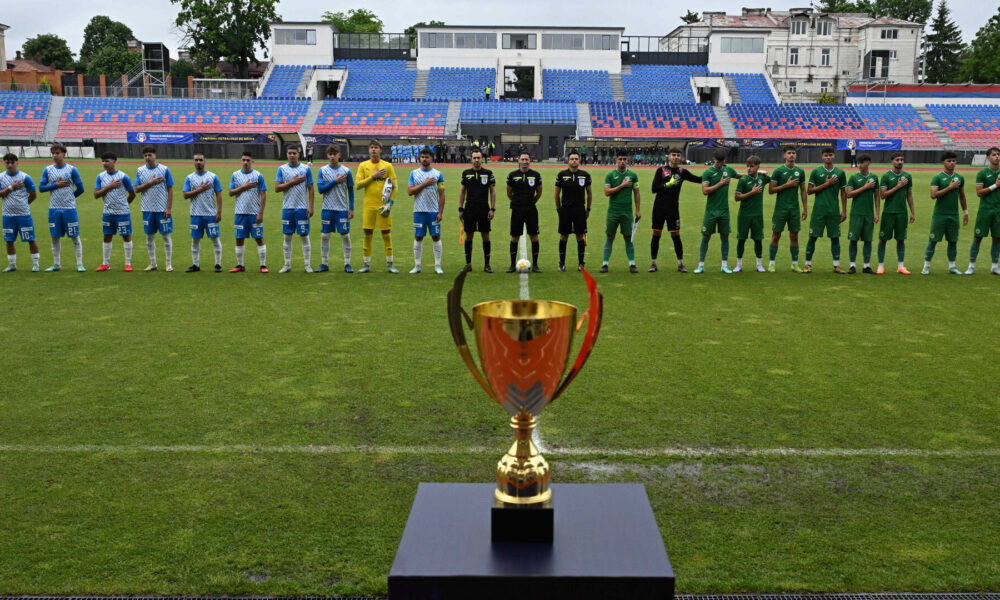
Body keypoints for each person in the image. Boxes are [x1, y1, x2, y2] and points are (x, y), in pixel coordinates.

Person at [649, 146, 701, 272]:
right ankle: (653, 264)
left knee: (676, 235)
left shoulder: (682, 172)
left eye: (678, 155)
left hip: (673, 209)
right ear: (669, 156)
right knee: (656, 234)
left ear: (681, 157)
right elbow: (654, 189)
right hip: (659, 208)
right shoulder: (661, 170)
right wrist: (667, 184)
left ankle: (680, 264)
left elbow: (698, 179)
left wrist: (714, 173)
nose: (676, 157)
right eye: (673, 155)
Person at [39, 143, 85, 272]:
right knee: (55, 237)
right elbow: (41, 188)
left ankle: (80, 264)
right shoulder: (47, 170)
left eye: (57, 153)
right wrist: (56, 185)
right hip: (54, 209)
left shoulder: (72, 169)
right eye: (53, 153)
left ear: (64, 154)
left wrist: (70, 198)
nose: (55, 155)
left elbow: (81, 189)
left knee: (74, 236)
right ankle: (56, 264)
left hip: (69, 209)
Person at [355, 139, 398, 273]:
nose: (374, 149)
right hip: (368, 206)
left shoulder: (387, 166)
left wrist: (390, 203)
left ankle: (390, 264)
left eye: (376, 147)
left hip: (383, 206)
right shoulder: (363, 165)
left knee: (386, 234)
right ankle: (366, 264)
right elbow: (358, 185)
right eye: (371, 147)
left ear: (380, 150)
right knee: (368, 234)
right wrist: (373, 177)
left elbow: (395, 186)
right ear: (369, 150)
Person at [804, 147, 848, 274]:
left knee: (835, 238)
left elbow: (843, 192)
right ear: (822, 157)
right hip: (818, 211)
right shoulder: (816, 171)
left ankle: (836, 265)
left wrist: (844, 210)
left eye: (830, 155)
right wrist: (826, 184)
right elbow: (809, 191)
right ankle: (807, 264)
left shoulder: (840, 173)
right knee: (813, 237)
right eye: (826, 155)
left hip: (833, 211)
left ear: (834, 156)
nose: (828, 157)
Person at [923, 151, 967, 275]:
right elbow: (933, 195)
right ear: (943, 163)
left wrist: (965, 212)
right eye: (949, 161)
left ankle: (952, 266)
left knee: (953, 241)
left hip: (954, 215)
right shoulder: (937, 177)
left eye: (954, 161)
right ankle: (926, 266)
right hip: (940, 214)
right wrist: (949, 187)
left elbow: (962, 196)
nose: (952, 163)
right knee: (933, 240)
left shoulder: (960, 178)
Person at [696, 148, 738, 274]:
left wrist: (758, 172)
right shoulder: (708, 172)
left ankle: (724, 265)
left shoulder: (728, 170)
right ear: (713, 159)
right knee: (706, 237)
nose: (719, 164)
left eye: (722, 162)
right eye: (717, 162)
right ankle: (701, 265)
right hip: (711, 211)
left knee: (725, 237)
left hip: (724, 211)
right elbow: (705, 191)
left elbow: (740, 176)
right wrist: (720, 183)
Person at [134, 146, 175, 272]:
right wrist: (150, 183)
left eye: (150, 155)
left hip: (162, 209)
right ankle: (153, 263)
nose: (147, 157)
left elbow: (170, 189)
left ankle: (168, 264)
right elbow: (136, 189)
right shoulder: (140, 170)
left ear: (155, 156)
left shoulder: (164, 169)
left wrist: (168, 208)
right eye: (145, 155)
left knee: (166, 237)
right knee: (149, 237)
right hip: (147, 209)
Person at [93, 152, 136, 272]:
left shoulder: (123, 177)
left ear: (114, 161)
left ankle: (128, 263)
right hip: (108, 213)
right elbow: (96, 195)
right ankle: (105, 263)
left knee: (126, 236)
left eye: (107, 161)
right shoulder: (100, 177)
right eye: (103, 161)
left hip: (122, 213)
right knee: (107, 236)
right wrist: (108, 187)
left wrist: (125, 205)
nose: (104, 163)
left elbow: (132, 194)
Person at [767, 145, 807, 272]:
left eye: (793, 153)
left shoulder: (800, 172)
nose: (791, 155)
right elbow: (771, 190)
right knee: (776, 235)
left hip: (794, 209)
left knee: (794, 236)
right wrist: (787, 185)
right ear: (784, 155)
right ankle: (771, 263)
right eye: (789, 153)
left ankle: (794, 264)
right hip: (780, 209)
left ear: (796, 155)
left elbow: (803, 190)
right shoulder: (778, 171)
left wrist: (805, 208)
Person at [275, 145, 314, 273]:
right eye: (290, 153)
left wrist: (311, 206)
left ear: (299, 154)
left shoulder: (306, 169)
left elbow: (311, 188)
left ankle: (307, 265)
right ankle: (287, 265)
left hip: (302, 208)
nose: (292, 155)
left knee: (304, 236)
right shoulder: (282, 169)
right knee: (287, 236)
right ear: (286, 154)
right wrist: (292, 182)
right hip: (287, 208)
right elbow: (277, 188)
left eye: (294, 153)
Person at [182, 154, 223, 273]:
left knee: (215, 239)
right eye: (196, 160)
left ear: (205, 162)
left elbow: (219, 194)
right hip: (195, 214)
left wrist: (219, 211)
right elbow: (185, 195)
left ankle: (218, 264)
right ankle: (196, 264)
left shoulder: (213, 177)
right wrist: (199, 189)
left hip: (210, 214)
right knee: (195, 240)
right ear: (193, 162)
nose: (198, 162)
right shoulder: (189, 178)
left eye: (201, 160)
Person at [407, 147, 446, 274]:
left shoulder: (438, 174)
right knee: (418, 237)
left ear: (431, 159)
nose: (424, 159)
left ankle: (437, 265)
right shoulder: (414, 173)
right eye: (422, 157)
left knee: (436, 237)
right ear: (419, 158)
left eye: (427, 157)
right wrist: (425, 183)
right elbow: (410, 191)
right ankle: (417, 266)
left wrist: (440, 212)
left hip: (433, 211)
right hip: (419, 211)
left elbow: (442, 194)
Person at [601, 150, 640, 273]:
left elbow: (637, 193)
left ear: (627, 160)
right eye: (620, 159)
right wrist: (622, 186)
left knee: (628, 238)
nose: (622, 161)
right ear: (616, 160)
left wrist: (638, 210)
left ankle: (632, 264)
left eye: (624, 159)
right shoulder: (610, 175)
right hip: (613, 211)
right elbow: (607, 192)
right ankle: (605, 264)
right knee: (610, 237)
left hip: (627, 212)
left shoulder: (633, 175)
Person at [228, 152, 268, 273]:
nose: (245, 162)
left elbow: (263, 194)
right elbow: (230, 192)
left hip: (254, 213)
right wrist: (244, 187)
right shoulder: (235, 175)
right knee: (239, 238)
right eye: (243, 160)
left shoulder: (258, 175)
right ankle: (240, 265)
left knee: (259, 238)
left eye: (248, 160)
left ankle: (263, 265)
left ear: (252, 161)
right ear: (240, 161)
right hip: (240, 213)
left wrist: (261, 213)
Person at [317, 145, 355, 273]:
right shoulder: (322, 170)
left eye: (335, 154)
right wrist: (335, 182)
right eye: (330, 154)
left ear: (339, 155)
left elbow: (350, 190)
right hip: (327, 209)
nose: (332, 156)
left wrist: (351, 208)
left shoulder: (346, 171)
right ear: (327, 155)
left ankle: (347, 263)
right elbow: (320, 189)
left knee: (345, 236)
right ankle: (324, 264)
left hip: (342, 209)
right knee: (325, 236)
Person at [876, 152, 915, 274]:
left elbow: (909, 195)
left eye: (902, 160)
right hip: (888, 212)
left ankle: (901, 266)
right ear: (892, 161)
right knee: (883, 239)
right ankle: (880, 266)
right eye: (897, 160)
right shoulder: (886, 176)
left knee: (901, 239)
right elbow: (883, 195)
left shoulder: (907, 176)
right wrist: (898, 186)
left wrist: (912, 212)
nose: (900, 162)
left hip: (902, 213)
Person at [459, 148, 496, 272]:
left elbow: (492, 192)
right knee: (469, 236)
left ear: (482, 159)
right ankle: (468, 264)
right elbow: (462, 191)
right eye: (474, 158)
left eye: (478, 158)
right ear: (471, 159)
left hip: (484, 208)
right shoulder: (466, 173)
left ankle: (487, 265)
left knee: (485, 236)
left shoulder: (488, 173)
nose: (476, 160)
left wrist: (492, 209)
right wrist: (460, 208)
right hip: (469, 209)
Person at [554, 150, 592, 272]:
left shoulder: (585, 175)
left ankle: (581, 263)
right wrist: (559, 209)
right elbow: (556, 193)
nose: (574, 161)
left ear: (579, 160)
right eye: (572, 159)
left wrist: (588, 209)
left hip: (580, 210)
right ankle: (562, 263)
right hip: (565, 210)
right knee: (563, 236)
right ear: (568, 160)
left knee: (580, 236)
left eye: (576, 159)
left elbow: (589, 193)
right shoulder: (561, 175)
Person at [1, 153, 40, 272]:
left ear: (17, 163)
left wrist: (24, 205)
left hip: (24, 215)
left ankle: (36, 264)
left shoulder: (25, 177)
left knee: (31, 239)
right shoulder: (1, 177)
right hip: (8, 215)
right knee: (9, 240)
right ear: (3, 163)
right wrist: (11, 188)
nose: (10, 165)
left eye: (12, 162)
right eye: (7, 162)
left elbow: (33, 194)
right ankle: (12, 265)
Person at [506, 152, 543, 273]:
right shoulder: (512, 175)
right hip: (517, 210)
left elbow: (539, 192)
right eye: (522, 159)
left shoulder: (536, 175)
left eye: (527, 159)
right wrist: (517, 201)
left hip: (531, 209)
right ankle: (512, 265)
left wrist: (532, 201)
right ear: (519, 160)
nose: (525, 161)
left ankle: (535, 265)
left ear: (530, 161)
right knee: (515, 237)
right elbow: (509, 192)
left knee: (534, 236)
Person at [966, 146, 1000, 275]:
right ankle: (971, 266)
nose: (997, 157)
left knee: (997, 238)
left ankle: (994, 266)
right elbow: (979, 192)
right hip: (985, 210)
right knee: (978, 237)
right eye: (994, 155)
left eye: (998, 154)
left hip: (998, 211)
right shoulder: (982, 173)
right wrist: (995, 186)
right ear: (988, 157)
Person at [733, 155, 770, 273]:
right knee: (741, 239)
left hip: (757, 215)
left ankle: (759, 264)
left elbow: (775, 179)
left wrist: (764, 173)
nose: (749, 168)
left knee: (758, 240)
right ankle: (739, 264)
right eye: (747, 166)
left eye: (752, 166)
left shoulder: (762, 178)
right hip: (744, 215)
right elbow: (737, 197)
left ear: (758, 166)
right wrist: (751, 192)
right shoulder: (743, 180)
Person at [845, 154, 880, 274]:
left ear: (868, 163)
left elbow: (876, 197)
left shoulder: (874, 178)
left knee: (868, 240)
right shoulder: (853, 177)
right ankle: (852, 265)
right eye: (858, 163)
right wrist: (865, 187)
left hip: (869, 214)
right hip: (856, 213)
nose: (859, 165)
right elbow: (849, 194)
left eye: (861, 163)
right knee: (853, 239)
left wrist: (877, 213)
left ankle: (866, 266)